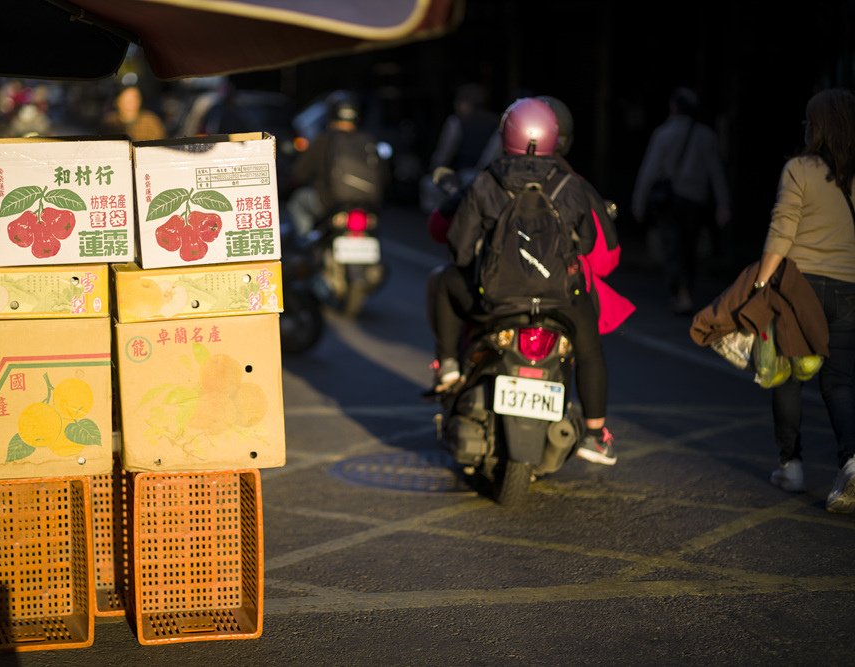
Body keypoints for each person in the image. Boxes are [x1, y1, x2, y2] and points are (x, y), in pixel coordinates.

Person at [430, 97, 620, 465]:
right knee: (590, 350)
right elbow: (596, 243)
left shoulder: (487, 180)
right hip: (560, 303)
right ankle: (596, 435)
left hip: (498, 302)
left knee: (445, 282)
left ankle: (450, 365)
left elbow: (460, 249)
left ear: (507, 134)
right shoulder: (570, 184)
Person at [751, 88, 855, 513]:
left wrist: (759, 284)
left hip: (800, 287)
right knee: (839, 382)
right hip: (850, 288)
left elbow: (783, 229)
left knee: (788, 374)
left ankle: (791, 465)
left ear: (817, 126)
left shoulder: (799, 168)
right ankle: (850, 462)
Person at [631, 86, 732, 314]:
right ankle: (686, 289)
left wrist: (638, 203)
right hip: (696, 200)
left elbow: (649, 170)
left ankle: (680, 292)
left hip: (671, 200)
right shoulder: (706, 136)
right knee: (689, 247)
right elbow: (716, 172)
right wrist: (723, 204)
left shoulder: (664, 133)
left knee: (673, 247)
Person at [285, 91, 385, 236]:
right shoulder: (369, 140)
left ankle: (306, 240)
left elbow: (300, 173)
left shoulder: (324, 140)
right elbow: (384, 175)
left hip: (329, 202)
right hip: (367, 206)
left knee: (297, 202)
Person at [99, 85, 166, 142]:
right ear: (117, 101)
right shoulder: (109, 122)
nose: (132, 102)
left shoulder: (150, 121)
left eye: (135, 98)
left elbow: (160, 144)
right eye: (127, 98)